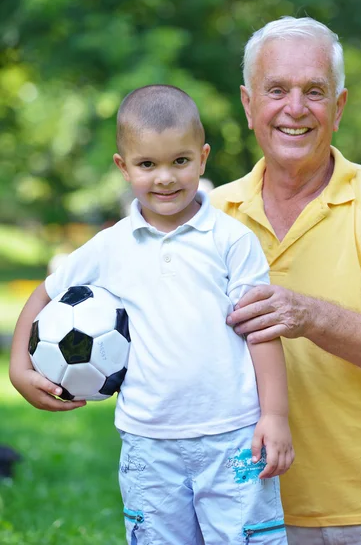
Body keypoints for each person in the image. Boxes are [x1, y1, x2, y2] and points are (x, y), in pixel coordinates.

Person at [9, 85, 294, 545]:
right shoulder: (110, 246)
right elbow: (43, 294)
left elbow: (262, 331)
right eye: (147, 165)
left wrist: (275, 416)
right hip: (148, 443)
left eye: (180, 161)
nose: (165, 177)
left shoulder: (231, 241)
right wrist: (20, 368)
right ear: (124, 167)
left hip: (234, 437)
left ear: (203, 158)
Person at [210, 16, 361, 545]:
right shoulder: (209, 216)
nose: (295, 108)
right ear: (249, 106)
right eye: (277, 90)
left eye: (314, 91)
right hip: (244, 507)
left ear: (338, 108)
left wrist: (310, 315)